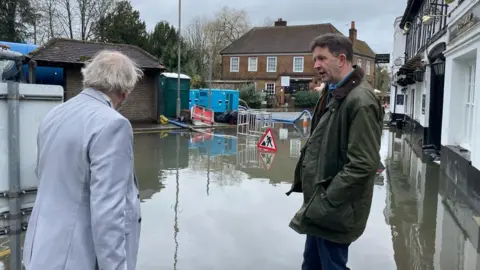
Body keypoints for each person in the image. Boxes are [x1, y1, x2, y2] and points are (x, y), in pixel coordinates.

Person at [23, 50, 144, 270]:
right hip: (77, 259)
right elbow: (108, 213)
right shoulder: (113, 124)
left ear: (88, 78)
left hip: (41, 252)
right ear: (125, 91)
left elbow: (43, 176)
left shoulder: (55, 114)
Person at [286, 33, 383, 270]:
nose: (316, 65)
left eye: (321, 58)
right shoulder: (333, 93)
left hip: (335, 208)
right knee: (312, 265)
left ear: (341, 59)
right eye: (314, 59)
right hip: (320, 205)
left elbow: (362, 165)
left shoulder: (361, 101)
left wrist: (326, 200)